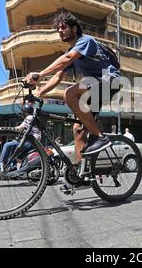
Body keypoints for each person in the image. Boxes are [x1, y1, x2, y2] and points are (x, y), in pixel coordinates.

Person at [24, 12, 120, 186]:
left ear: (74, 29)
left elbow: (67, 59)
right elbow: (58, 77)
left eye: (64, 27)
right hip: (96, 86)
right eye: (58, 29)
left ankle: (100, 137)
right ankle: (82, 173)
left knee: (70, 94)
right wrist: (40, 93)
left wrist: (40, 73)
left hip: (110, 81)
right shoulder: (72, 52)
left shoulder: (86, 42)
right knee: (77, 128)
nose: (60, 31)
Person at [0, 98, 41, 172]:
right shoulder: (33, 118)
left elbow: (19, 128)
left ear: (25, 112)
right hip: (33, 142)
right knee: (13, 149)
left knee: (7, 145)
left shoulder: (29, 117)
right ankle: (13, 167)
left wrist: (6, 130)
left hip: (31, 142)